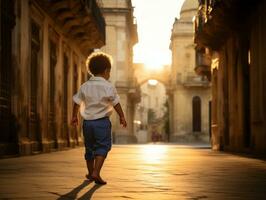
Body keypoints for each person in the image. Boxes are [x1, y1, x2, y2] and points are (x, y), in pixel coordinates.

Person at [71, 52, 127, 185]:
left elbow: (77, 102)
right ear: (106, 70)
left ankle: (91, 173)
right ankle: (96, 172)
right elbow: (116, 103)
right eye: (109, 72)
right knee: (102, 146)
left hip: (87, 123)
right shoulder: (108, 86)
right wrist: (122, 116)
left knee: (89, 148)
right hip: (102, 122)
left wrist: (74, 116)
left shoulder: (84, 86)